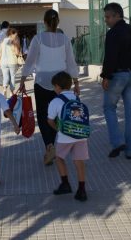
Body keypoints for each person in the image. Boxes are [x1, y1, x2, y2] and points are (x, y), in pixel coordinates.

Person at [19, 9, 80, 166]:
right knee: (57, 116)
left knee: (43, 116)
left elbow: (30, 61)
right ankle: (53, 145)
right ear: (57, 22)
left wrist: (22, 79)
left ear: (44, 22)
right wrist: (76, 82)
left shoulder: (38, 39)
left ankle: (49, 146)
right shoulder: (65, 39)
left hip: (42, 82)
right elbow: (71, 62)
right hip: (60, 84)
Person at [101, 2, 131, 159]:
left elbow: (110, 57)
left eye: (107, 17)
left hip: (118, 76)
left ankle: (118, 142)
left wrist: (106, 76)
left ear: (117, 15)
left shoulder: (113, 33)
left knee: (109, 108)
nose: (106, 20)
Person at [47, 71, 88, 201]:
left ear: (58, 86)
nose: (54, 89)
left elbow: (50, 120)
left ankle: (65, 184)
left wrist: (59, 129)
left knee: (59, 158)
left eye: (54, 86)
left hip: (64, 136)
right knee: (78, 161)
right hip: (80, 135)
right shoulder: (76, 98)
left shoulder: (55, 101)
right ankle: (82, 190)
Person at [0, 28, 21, 97]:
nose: (16, 36)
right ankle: (11, 92)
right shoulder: (13, 42)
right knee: (13, 77)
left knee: (5, 77)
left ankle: (4, 89)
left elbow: (0, 53)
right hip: (12, 61)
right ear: (12, 34)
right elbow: (17, 53)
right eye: (15, 35)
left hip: (3, 62)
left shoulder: (2, 42)